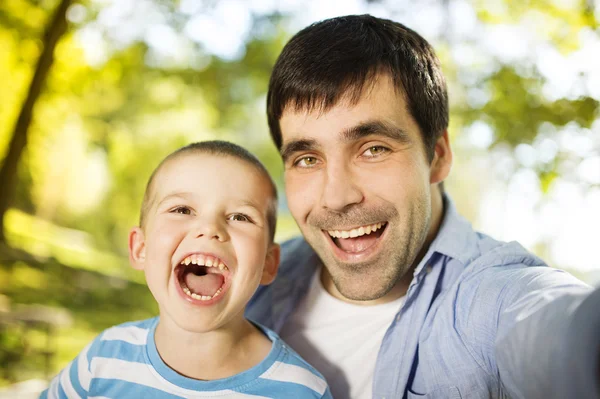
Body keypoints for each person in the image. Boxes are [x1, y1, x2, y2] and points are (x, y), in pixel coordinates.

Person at [246, 14, 600, 399]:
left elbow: (561, 330)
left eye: (373, 149)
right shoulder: (250, 283)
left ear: (438, 156)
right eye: (307, 159)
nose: (336, 197)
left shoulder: (493, 297)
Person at [41, 141, 333, 399]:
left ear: (269, 264)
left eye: (240, 216)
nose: (209, 228)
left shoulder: (301, 390)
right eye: (182, 210)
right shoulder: (103, 358)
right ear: (140, 248)